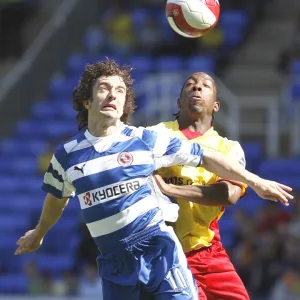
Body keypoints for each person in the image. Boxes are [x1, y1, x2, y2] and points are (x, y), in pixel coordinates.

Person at [15, 60, 293, 300]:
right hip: (113, 261)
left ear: (126, 104)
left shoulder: (144, 140)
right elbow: (56, 196)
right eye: (104, 88)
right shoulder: (66, 155)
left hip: (167, 248)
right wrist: (40, 232)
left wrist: (256, 181)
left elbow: (211, 164)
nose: (113, 95)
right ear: (87, 100)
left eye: (120, 90)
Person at [150, 71, 291, 300]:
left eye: (205, 85)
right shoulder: (157, 134)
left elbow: (229, 194)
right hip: (163, 252)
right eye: (190, 85)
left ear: (216, 105)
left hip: (206, 251)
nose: (197, 88)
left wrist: (172, 189)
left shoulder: (228, 148)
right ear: (178, 101)